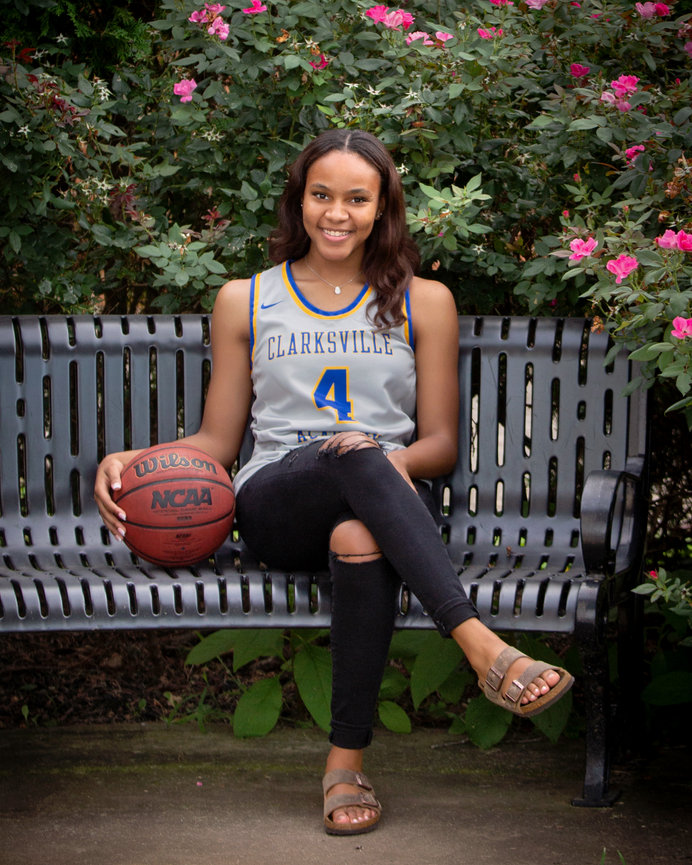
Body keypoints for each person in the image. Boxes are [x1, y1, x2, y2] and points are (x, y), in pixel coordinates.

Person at [94, 128, 573, 836]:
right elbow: (217, 443)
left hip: (385, 493)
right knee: (350, 452)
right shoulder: (246, 299)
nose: (337, 213)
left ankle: (344, 764)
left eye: (356, 198)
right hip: (277, 499)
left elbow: (439, 442)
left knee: (358, 527)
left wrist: (385, 461)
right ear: (300, 201)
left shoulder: (424, 301)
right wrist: (131, 459)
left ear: (381, 208)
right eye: (321, 195)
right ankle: (482, 646)